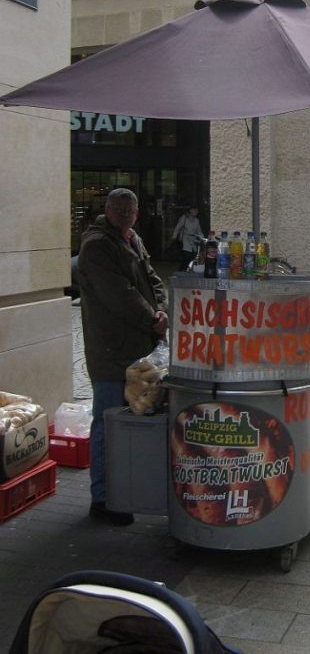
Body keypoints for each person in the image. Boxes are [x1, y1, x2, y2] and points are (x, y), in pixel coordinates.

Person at [78, 188, 168, 525]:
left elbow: (153, 280)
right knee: (106, 421)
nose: (124, 216)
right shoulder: (97, 245)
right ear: (107, 209)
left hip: (136, 348)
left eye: (129, 211)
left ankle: (125, 489)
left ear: (137, 212)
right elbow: (119, 294)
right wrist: (151, 318)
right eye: (118, 210)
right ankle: (102, 498)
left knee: (131, 420)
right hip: (110, 350)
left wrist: (161, 309)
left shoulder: (132, 239)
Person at [172, 205, 204, 270]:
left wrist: (202, 238)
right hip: (185, 238)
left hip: (193, 239)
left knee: (193, 255)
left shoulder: (196, 220)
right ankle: (182, 269)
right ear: (190, 211)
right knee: (187, 255)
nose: (196, 212)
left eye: (197, 210)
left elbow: (199, 231)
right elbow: (177, 228)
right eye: (194, 210)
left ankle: (186, 269)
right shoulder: (184, 218)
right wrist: (174, 236)